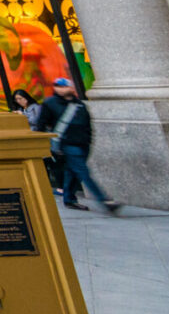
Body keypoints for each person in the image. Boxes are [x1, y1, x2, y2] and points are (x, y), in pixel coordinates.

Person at [38, 77, 119, 214]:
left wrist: (88, 139)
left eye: (65, 86)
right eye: (59, 86)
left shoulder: (79, 104)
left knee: (72, 172)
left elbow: (87, 124)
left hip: (82, 143)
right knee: (83, 172)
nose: (62, 88)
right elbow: (41, 124)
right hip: (66, 143)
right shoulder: (50, 103)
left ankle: (69, 199)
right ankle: (104, 200)